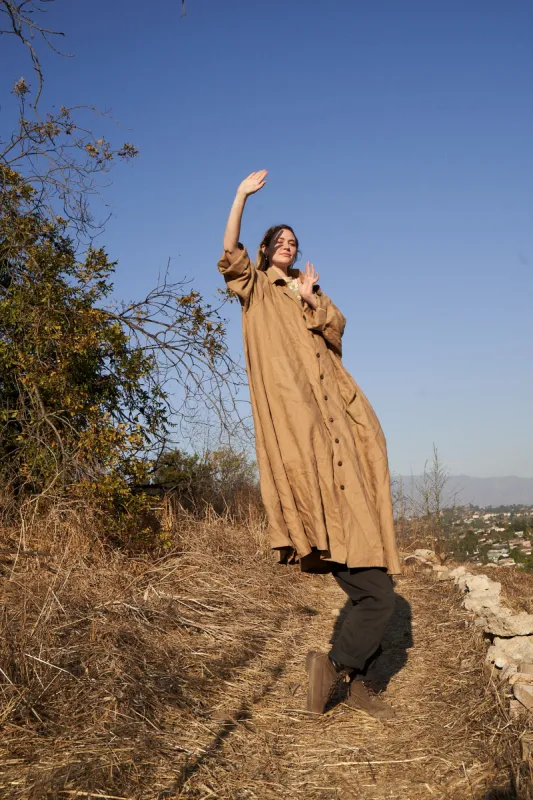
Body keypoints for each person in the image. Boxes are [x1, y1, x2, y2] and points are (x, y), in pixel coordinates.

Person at [218, 170, 402, 718]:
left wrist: (312, 297)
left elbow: (339, 329)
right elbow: (229, 253)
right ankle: (340, 669)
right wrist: (240, 198)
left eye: (294, 243)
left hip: (339, 432)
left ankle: (355, 679)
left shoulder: (305, 293)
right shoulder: (255, 290)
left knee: (372, 577)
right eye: (280, 242)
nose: (288, 247)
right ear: (266, 250)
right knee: (375, 588)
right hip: (302, 442)